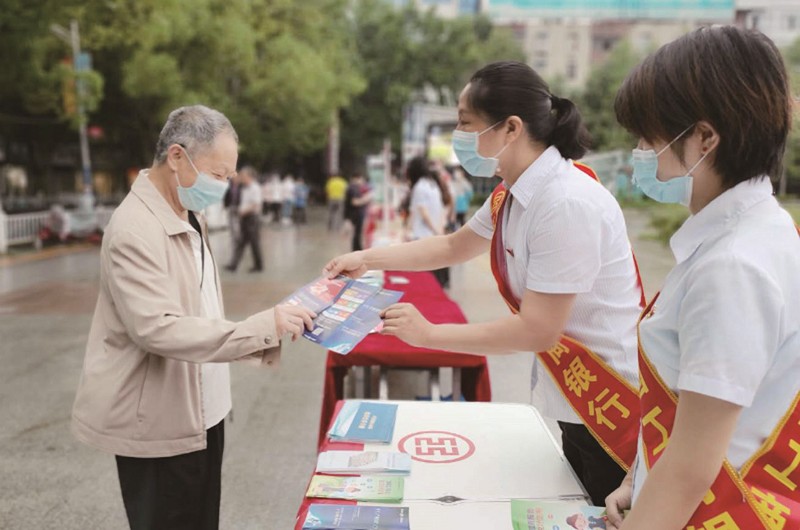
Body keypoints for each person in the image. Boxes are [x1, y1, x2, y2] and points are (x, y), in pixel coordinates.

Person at [324, 61, 644, 505]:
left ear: (510, 128)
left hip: (612, 407)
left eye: (465, 123)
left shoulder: (566, 203)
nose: (458, 136)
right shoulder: (512, 194)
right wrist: (366, 258)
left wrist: (430, 335)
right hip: (574, 399)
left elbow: (537, 329)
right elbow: (453, 247)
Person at [70, 105, 316, 530]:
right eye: (219, 174)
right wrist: (262, 326)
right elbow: (157, 328)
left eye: (229, 175)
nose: (225, 185)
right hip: (159, 423)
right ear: (177, 157)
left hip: (202, 412)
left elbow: (200, 306)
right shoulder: (134, 229)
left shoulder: (188, 212)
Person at [604, 26, 800, 530]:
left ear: (705, 139)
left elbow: (692, 467)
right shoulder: (759, 232)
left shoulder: (733, 267)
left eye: (649, 137)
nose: (640, 154)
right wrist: (639, 478)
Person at [404, 157, 449, 288]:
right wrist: (439, 230)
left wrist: (407, 230)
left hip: (422, 234)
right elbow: (440, 210)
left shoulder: (419, 187)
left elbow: (422, 213)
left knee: (423, 274)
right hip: (432, 234)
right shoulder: (432, 184)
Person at [225, 166, 264, 273]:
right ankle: (233, 265)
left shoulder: (255, 187)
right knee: (241, 242)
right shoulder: (245, 187)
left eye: (243, 176)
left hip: (252, 219)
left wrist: (243, 211)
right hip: (244, 218)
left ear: (249, 177)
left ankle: (258, 265)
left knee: (254, 243)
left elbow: (255, 205)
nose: (241, 178)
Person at [344, 173, 373, 251]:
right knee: (357, 233)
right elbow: (355, 202)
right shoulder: (353, 188)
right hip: (356, 214)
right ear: (358, 178)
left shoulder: (351, 187)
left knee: (357, 233)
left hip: (353, 214)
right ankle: (357, 249)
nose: (362, 181)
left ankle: (357, 249)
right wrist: (367, 198)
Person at [223, 171, 241, 243]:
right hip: (230, 205)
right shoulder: (229, 186)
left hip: (238, 206)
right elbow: (226, 196)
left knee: (237, 222)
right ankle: (233, 236)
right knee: (231, 222)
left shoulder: (241, 186)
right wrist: (225, 205)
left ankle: (238, 236)